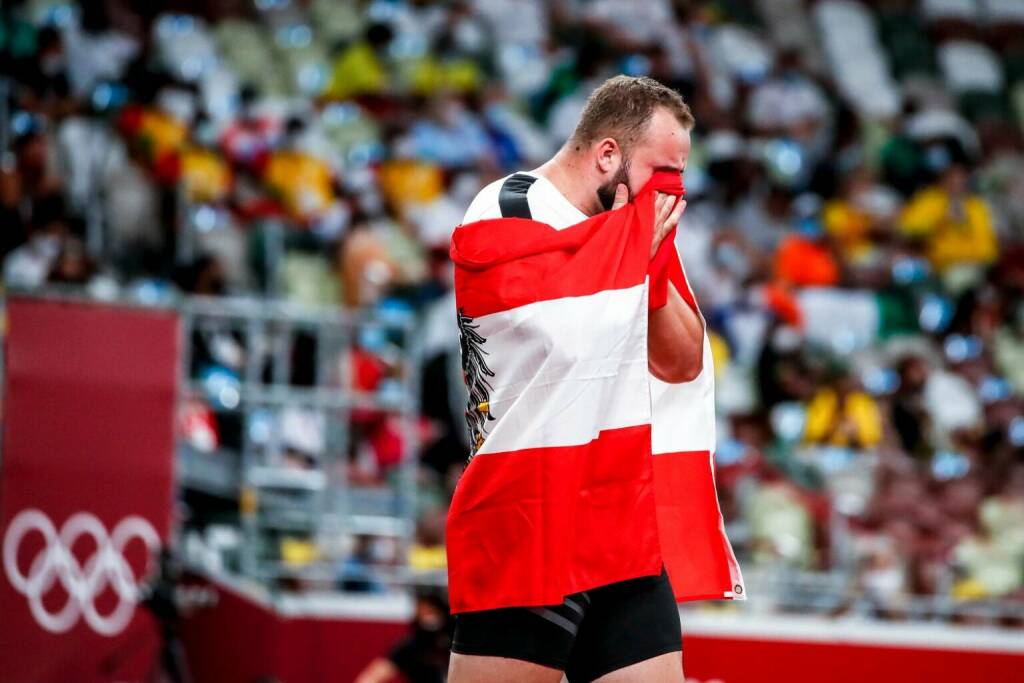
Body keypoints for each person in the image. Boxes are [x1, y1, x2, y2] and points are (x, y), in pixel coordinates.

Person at [447, 76, 711, 683]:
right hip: (529, 509)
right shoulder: (510, 204)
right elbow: (563, 340)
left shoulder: (632, 236)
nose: (673, 192)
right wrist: (625, 260)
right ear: (609, 154)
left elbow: (682, 360)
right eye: (663, 172)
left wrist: (640, 265)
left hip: (619, 515)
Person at [354, 591, 453, 683]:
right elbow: (370, 677)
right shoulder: (410, 645)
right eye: (423, 613)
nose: (428, 617)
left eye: (432, 611)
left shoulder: (454, 642)